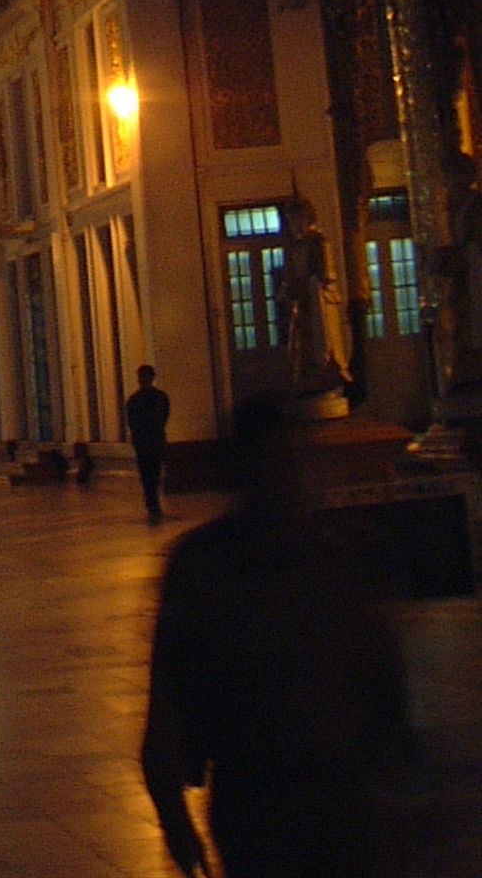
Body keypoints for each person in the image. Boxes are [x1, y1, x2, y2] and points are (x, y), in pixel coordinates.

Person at [141, 393, 408, 877]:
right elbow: (167, 705)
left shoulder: (211, 565)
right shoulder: (328, 560)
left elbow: (381, 678)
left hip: (312, 795)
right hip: (273, 797)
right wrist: (174, 818)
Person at [125, 365, 171, 524]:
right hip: (147, 440)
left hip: (150, 439)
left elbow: (162, 417)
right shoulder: (140, 399)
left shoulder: (138, 400)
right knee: (147, 471)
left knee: (153, 470)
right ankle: (151, 500)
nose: (142, 379)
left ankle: (152, 499)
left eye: (144, 376)